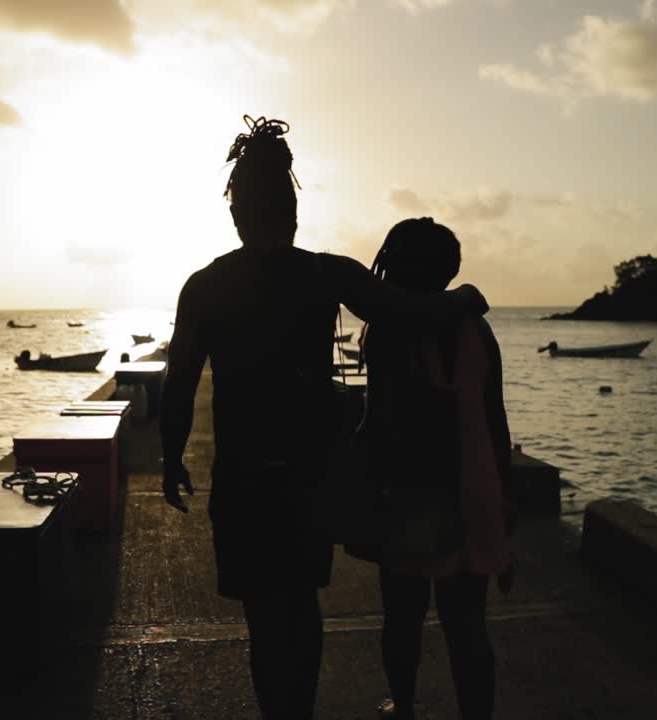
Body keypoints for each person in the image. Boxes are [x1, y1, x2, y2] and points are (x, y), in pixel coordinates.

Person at [160, 116, 489, 720]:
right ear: (292, 212)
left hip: (243, 477)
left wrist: (170, 456)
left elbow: (178, 381)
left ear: (236, 214)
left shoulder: (204, 286)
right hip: (310, 476)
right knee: (302, 607)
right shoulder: (326, 273)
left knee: (264, 617)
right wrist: (464, 297)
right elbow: (406, 310)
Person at [351, 218, 513, 720]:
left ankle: (403, 706)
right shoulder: (477, 328)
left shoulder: (388, 331)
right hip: (474, 493)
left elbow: (379, 422)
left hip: (410, 496)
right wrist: (504, 501)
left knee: (402, 617)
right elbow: (497, 420)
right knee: (468, 626)